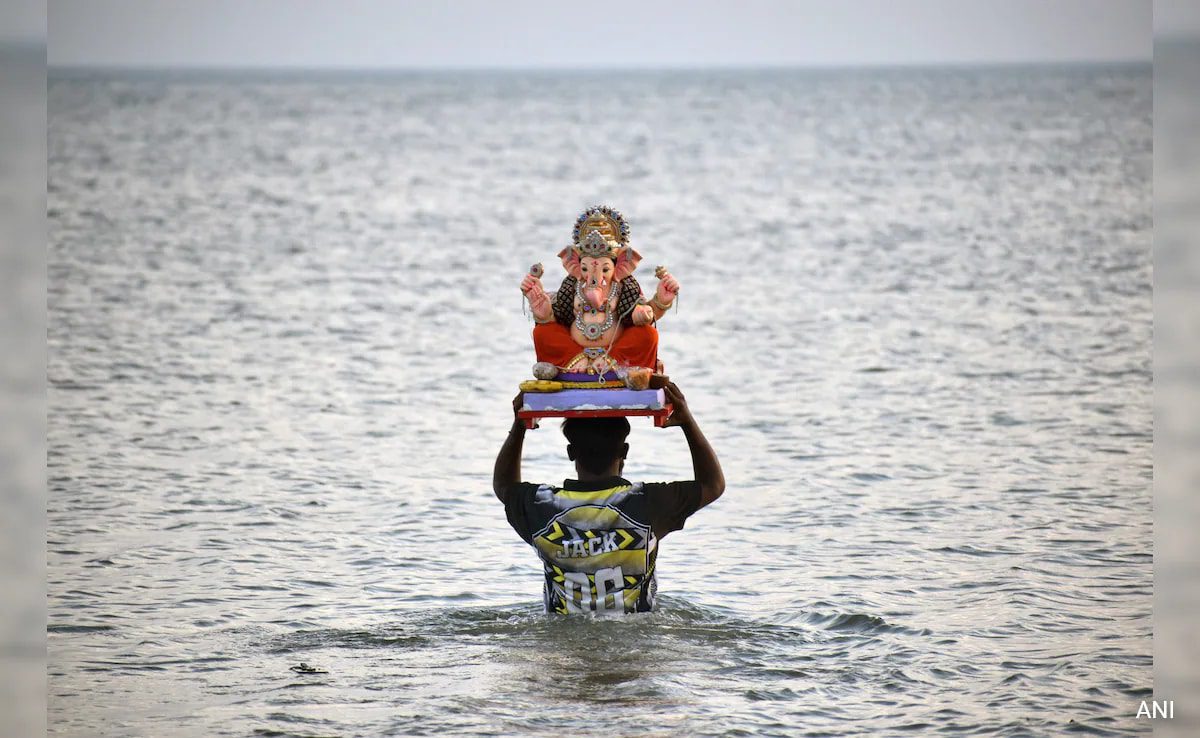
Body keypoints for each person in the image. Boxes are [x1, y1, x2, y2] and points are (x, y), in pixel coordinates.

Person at [493, 382, 724, 614]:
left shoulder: (541, 507)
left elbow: (504, 486)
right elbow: (713, 485)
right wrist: (687, 422)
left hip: (563, 642)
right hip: (634, 640)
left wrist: (520, 425)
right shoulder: (648, 503)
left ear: (571, 453)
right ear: (624, 452)